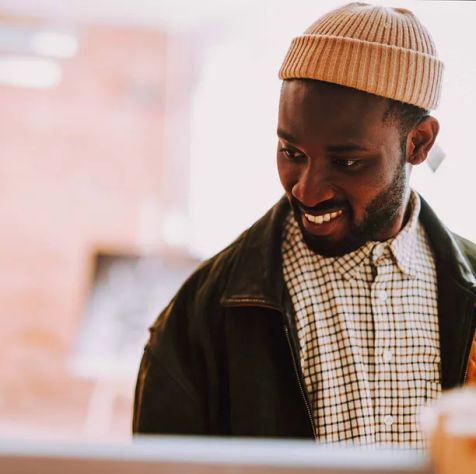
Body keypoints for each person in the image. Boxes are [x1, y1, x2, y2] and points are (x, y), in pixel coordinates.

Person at [132, 2, 476, 448]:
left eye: (347, 161)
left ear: (419, 142)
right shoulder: (202, 315)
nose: (307, 191)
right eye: (292, 153)